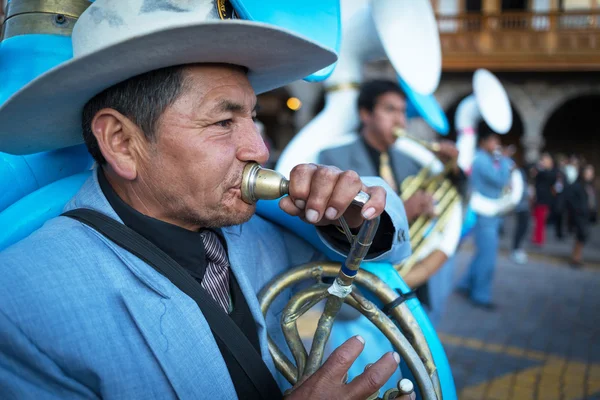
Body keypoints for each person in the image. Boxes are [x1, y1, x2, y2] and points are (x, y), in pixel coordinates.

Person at [0, 2, 417, 399]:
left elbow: (388, 245)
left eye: (251, 117)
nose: (259, 148)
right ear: (122, 142)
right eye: (222, 122)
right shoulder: (18, 302)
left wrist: (357, 212)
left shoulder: (258, 230)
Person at [318, 79, 465, 321]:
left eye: (403, 112)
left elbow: (450, 194)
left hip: (408, 289)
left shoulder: (412, 161)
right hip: (357, 296)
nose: (400, 121)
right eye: (390, 110)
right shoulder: (333, 157)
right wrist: (402, 213)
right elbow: (333, 231)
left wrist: (451, 167)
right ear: (366, 114)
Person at [456, 124, 512, 310]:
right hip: (484, 212)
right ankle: (480, 295)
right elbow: (501, 180)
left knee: (483, 253)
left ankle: (465, 284)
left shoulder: (485, 158)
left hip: (488, 212)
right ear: (483, 142)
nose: (497, 144)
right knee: (488, 256)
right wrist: (505, 161)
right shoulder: (481, 160)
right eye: (493, 140)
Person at [566, 164, 597, 268]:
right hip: (579, 216)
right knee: (580, 236)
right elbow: (571, 199)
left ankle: (577, 257)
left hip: (586, 215)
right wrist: (578, 210)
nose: (590, 174)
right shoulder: (577, 185)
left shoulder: (589, 186)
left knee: (582, 237)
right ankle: (576, 258)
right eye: (588, 172)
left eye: (591, 172)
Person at [531, 152, 556, 246]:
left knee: (541, 220)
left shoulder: (551, 172)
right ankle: (536, 238)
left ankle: (539, 239)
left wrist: (540, 168)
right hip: (538, 198)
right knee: (537, 220)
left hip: (544, 199)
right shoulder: (541, 171)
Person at [510, 163, 531, 264]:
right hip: (521, 207)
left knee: (523, 228)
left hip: (524, 206)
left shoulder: (521, 176)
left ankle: (517, 248)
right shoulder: (518, 176)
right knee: (520, 228)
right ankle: (515, 249)